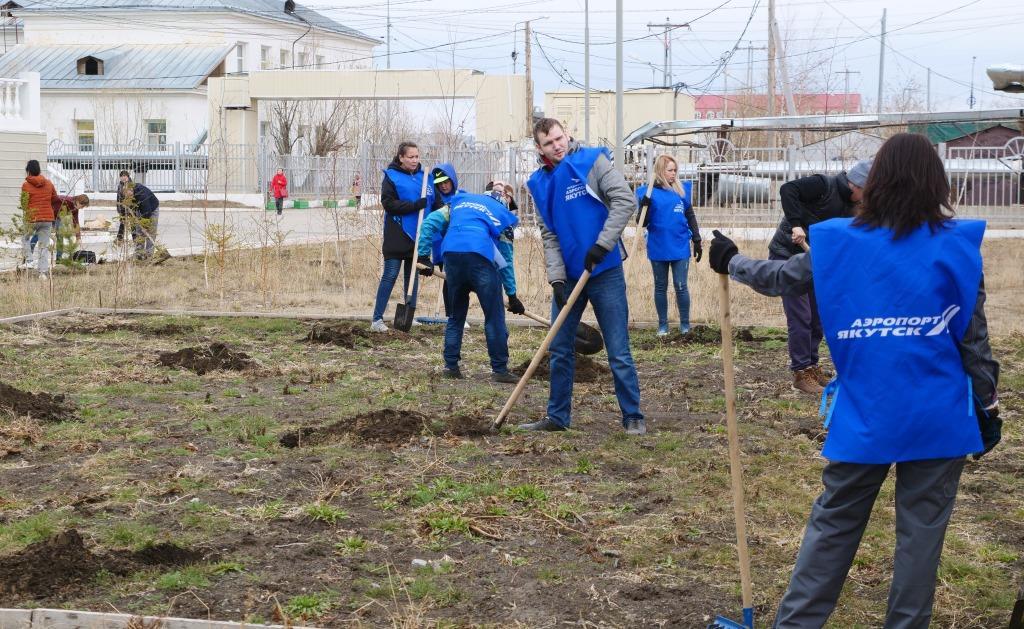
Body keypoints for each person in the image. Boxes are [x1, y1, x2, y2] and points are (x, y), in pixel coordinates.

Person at [708, 133, 1000, 628]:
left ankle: (797, 625)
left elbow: (780, 278)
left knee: (835, 522)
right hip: (937, 414)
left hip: (867, 412)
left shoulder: (842, 242)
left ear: (877, 181)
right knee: (921, 536)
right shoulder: (957, 246)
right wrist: (988, 407)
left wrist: (731, 260)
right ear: (935, 184)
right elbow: (974, 341)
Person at [520, 118, 644, 435]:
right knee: (560, 348)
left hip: (604, 270)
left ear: (568, 134)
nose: (556, 146)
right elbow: (549, 235)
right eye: (549, 143)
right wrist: (557, 280)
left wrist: (602, 245)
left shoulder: (592, 161)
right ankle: (557, 417)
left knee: (618, 350)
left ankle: (633, 417)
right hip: (570, 277)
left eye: (559, 138)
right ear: (539, 148)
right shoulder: (539, 183)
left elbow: (625, 200)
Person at [769, 159, 871, 394]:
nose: (865, 199)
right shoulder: (824, 185)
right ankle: (800, 371)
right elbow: (788, 190)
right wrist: (796, 224)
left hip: (817, 261)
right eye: (865, 193)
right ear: (855, 185)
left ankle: (812, 366)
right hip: (787, 255)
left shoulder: (853, 207)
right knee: (801, 316)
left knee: (817, 317)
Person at [417, 192, 519, 383]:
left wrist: (423, 256)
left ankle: (450, 366)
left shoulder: (458, 203)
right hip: (480, 257)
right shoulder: (501, 214)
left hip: (452, 256)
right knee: (494, 316)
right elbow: (505, 260)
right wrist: (512, 295)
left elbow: (429, 223)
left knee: (456, 316)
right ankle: (500, 370)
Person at [636, 154, 702, 336]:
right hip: (658, 246)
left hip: (680, 245)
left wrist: (697, 239)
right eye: (670, 170)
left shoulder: (681, 191)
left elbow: (690, 215)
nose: (674, 174)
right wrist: (644, 207)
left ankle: (685, 325)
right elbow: (641, 223)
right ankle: (663, 326)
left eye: (675, 170)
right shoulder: (647, 193)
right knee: (660, 286)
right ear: (660, 171)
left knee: (681, 286)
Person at [371, 141, 430, 332]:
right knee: (390, 275)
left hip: (417, 235)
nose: (415, 160)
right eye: (410, 157)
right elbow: (388, 204)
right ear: (401, 157)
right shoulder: (392, 176)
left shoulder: (424, 176)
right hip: (396, 234)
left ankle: (408, 316)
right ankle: (377, 320)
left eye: (417, 156)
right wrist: (414, 205)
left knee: (411, 277)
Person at [487, 181, 525, 317]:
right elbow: (505, 262)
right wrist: (512, 296)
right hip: (487, 271)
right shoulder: (504, 223)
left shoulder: (480, 206)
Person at [20, 160, 59, 279]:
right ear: (39, 170)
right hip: (47, 219)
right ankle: (42, 273)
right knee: (43, 245)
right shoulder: (49, 183)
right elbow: (55, 198)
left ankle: (30, 259)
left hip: (32, 218)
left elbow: (24, 203)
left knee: (25, 238)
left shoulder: (26, 185)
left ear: (28, 171)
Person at [122, 182, 160, 259]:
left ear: (131, 190)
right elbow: (132, 208)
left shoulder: (142, 195)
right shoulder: (129, 194)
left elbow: (147, 211)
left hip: (152, 209)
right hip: (140, 209)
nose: (128, 197)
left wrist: (145, 227)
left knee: (151, 232)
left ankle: (148, 255)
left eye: (129, 195)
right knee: (138, 231)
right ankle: (138, 254)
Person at [52, 194, 89, 262]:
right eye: (82, 206)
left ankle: (59, 259)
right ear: (78, 201)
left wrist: (78, 238)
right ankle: (28, 258)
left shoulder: (75, 209)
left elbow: (76, 222)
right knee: (38, 235)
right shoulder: (65, 200)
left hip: (57, 218)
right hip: (48, 215)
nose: (82, 208)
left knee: (60, 236)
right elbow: (52, 199)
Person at [115, 170, 131, 243]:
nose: (123, 178)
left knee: (133, 223)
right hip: (122, 208)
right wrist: (118, 208)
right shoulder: (120, 185)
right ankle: (119, 238)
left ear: (128, 176)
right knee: (122, 223)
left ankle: (136, 238)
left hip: (131, 208)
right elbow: (118, 197)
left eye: (125, 176)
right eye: (122, 176)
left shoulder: (131, 185)